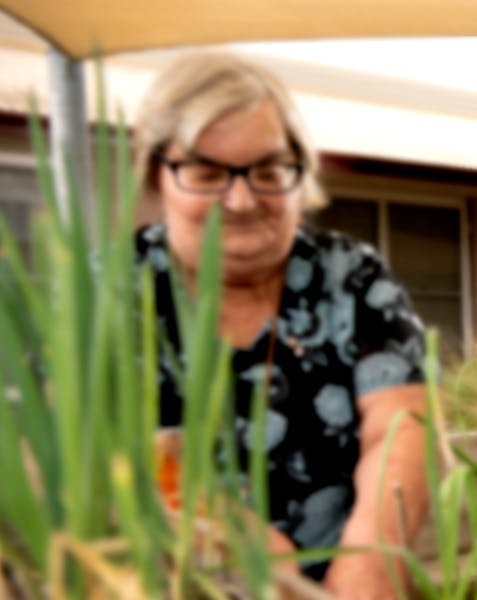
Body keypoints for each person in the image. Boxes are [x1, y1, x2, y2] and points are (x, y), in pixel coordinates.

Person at [132, 51, 428, 597]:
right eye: (207, 173)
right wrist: (216, 533)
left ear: (300, 174)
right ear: (159, 173)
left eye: (268, 171)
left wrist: (370, 559)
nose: (241, 201)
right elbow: (59, 454)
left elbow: (400, 428)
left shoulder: (350, 276)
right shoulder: (106, 292)